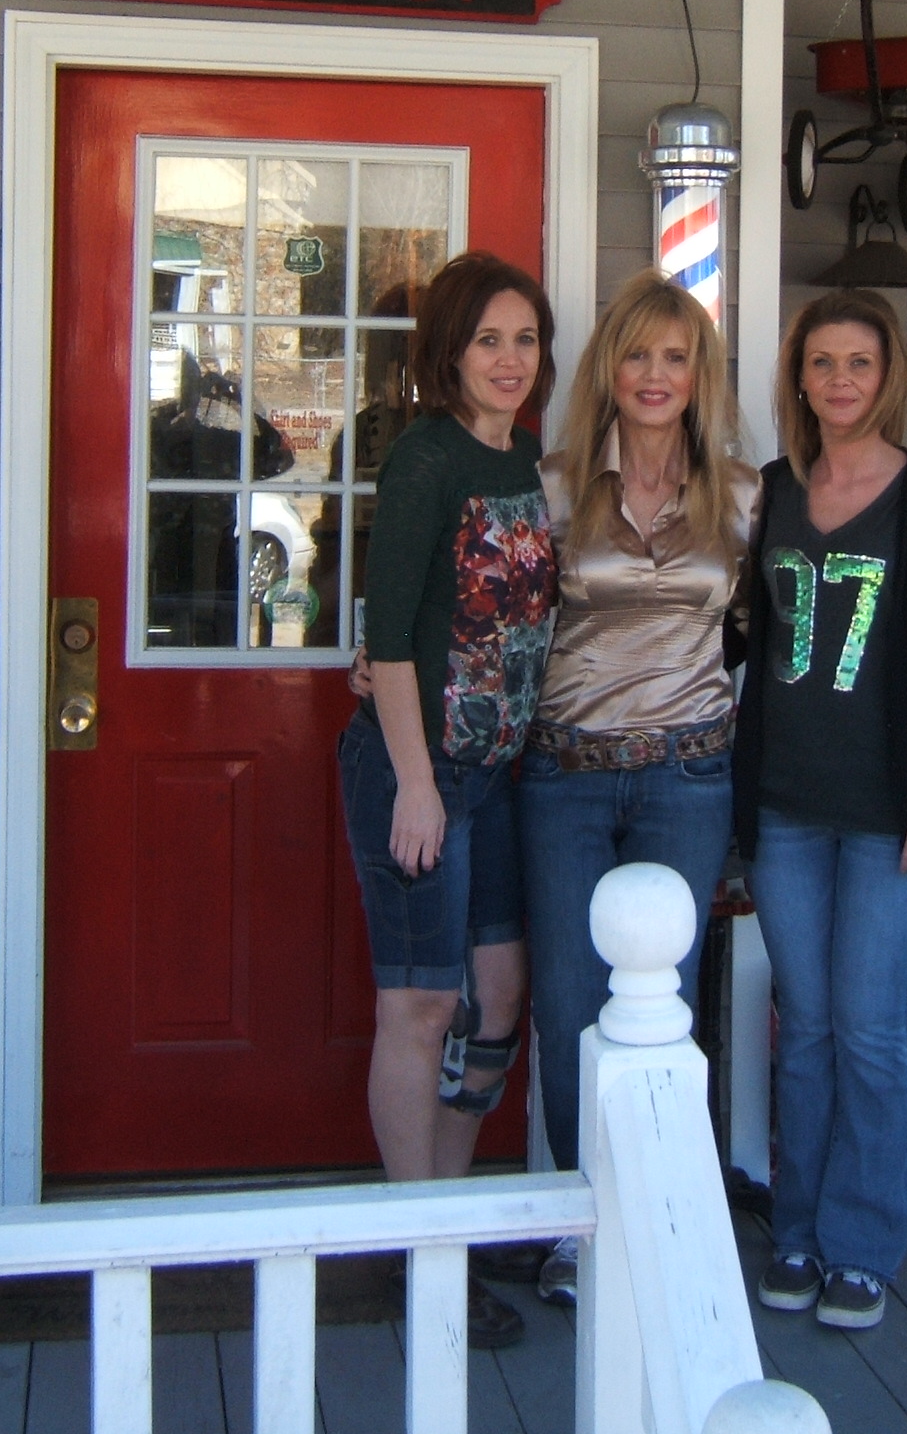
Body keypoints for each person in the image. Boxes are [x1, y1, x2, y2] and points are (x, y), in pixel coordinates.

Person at [735, 286, 907, 1332]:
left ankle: (861, 1244)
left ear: (887, 378)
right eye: (822, 362)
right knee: (803, 1028)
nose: (840, 380)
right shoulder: (771, 492)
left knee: (871, 1030)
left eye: (860, 363)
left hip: (894, 816)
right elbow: (732, 634)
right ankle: (796, 1230)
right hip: (787, 809)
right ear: (798, 379)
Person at [518, 270, 759, 1305]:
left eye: (676, 356)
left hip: (688, 780)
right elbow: (496, 625)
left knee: (668, 1007)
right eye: (636, 355)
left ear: (700, 374)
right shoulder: (555, 487)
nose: (655, 376)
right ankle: (586, 1228)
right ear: (607, 370)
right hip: (565, 778)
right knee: (572, 1003)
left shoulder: (742, 495)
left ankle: (659, 1218)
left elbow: (764, 633)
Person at [336, 251, 557, 1348]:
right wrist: (417, 786)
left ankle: (450, 1220)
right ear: (450, 354)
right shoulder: (427, 459)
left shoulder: (525, 459)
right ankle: (418, 1250)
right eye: (487, 341)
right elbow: (386, 638)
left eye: (525, 340)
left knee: (500, 1001)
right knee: (419, 1010)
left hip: (498, 775)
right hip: (417, 775)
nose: (509, 360)